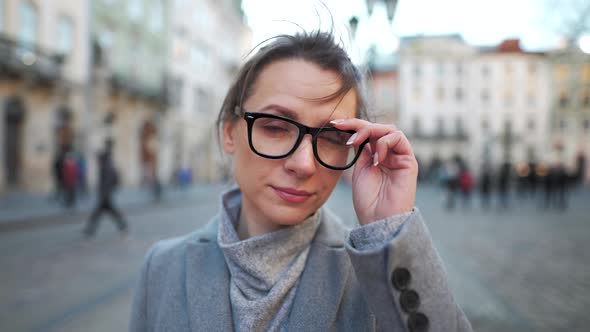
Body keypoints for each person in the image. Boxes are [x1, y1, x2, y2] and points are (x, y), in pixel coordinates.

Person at [130, 31, 472, 331]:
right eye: (275, 127)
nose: (304, 164)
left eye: (332, 138)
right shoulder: (162, 268)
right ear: (230, 133)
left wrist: (391, 230)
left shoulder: (379, 279)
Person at [83, 139, 128, 237]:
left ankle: (90, 229)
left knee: (100, 212)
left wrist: (104, 194)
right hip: (105, 195)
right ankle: (122, 225)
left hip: (105, 195)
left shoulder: (106, 167)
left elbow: (107, 182)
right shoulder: (107, 166)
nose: (97, 161)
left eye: (98, 159)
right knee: (110, 212)